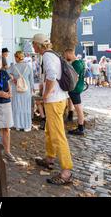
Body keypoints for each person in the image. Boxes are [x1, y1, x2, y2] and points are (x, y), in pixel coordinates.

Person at [32, 33, 73, 185]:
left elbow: (51, 76)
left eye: (33, 44)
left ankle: (66, 172)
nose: (32, 46)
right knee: (50, 130)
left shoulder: (48, 57)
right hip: (59, 99)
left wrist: (45, 95)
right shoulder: (51, 55)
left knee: (58, 135)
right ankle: (49, 158)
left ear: (38, 44)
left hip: (54, 100)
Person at [9, 51, 34, 132]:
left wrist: (13, 79)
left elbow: (5, 74)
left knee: (17, 106)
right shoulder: (28, 66)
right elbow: (31, 80)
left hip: (16, 89)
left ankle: (17, 125)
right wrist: (32, 89)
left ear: (16, 57)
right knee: (26, 107)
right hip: (26, 90)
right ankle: (27, 126)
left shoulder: (13, 67)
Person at [64, 49, 86, 136]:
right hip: (79, 86)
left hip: (75, 88)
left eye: (66, 55)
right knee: (73, 103)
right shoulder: (81, 61)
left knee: (78, 107)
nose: (65, 57)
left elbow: (73, 77)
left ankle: (80, 128)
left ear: (70, 54)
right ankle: (70, 115)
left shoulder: (75, 64)